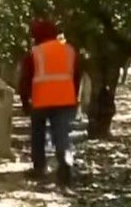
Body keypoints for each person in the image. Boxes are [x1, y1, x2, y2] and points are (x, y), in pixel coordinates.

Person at [17, 18, 83, 186]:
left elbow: (25, 80)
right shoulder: (69, 50)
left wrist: (25, 102)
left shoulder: (34, 53)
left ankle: (40, 168)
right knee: (62, 134)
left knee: (38, 133)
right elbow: (77, 76)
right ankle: (65, 164)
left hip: (42, 101)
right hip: (65, 99)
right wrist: (74, 97)